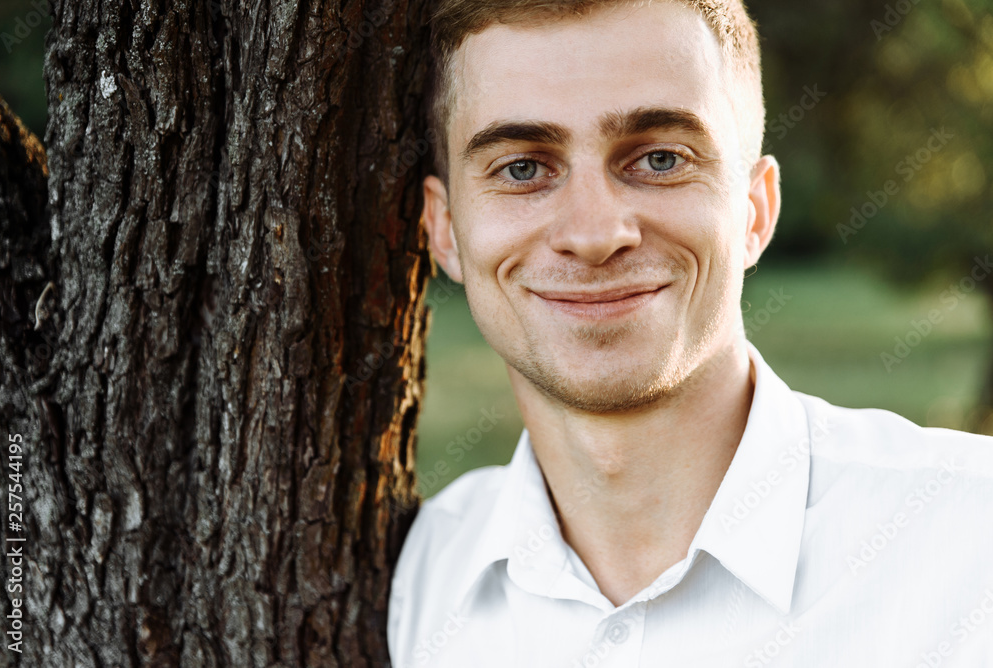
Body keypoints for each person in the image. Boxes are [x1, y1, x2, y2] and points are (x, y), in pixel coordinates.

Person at [387, 1, 993, 666]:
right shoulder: (426, 578)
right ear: (443, 230)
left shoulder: (969, 543)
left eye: (659, 159)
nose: (593, 235)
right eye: (523, 168)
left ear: (755, 212)